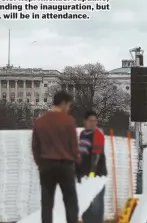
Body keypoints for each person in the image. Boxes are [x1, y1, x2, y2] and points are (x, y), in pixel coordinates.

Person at [32, 90, 79, 223]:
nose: (68, 109)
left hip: (46, 165)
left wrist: (40, 163)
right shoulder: (69, 121)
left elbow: (35, 146)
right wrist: (76, 162)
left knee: (47, 203)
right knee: (70, 201)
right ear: (63, 103)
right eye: (68, 105)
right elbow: (74, 146)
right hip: (65, 165)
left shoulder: (39, 121)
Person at [78, 111, 108, 223]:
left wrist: (92, 173)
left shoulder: (98, 134)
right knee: (86, 205)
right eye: (91, 120)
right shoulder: (82, 134)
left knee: (96, 207)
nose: (93, 123)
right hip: (85, 176)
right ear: (85, 121)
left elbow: (96, 155)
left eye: (95, 121)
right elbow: (81, 154)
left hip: (96, 176)